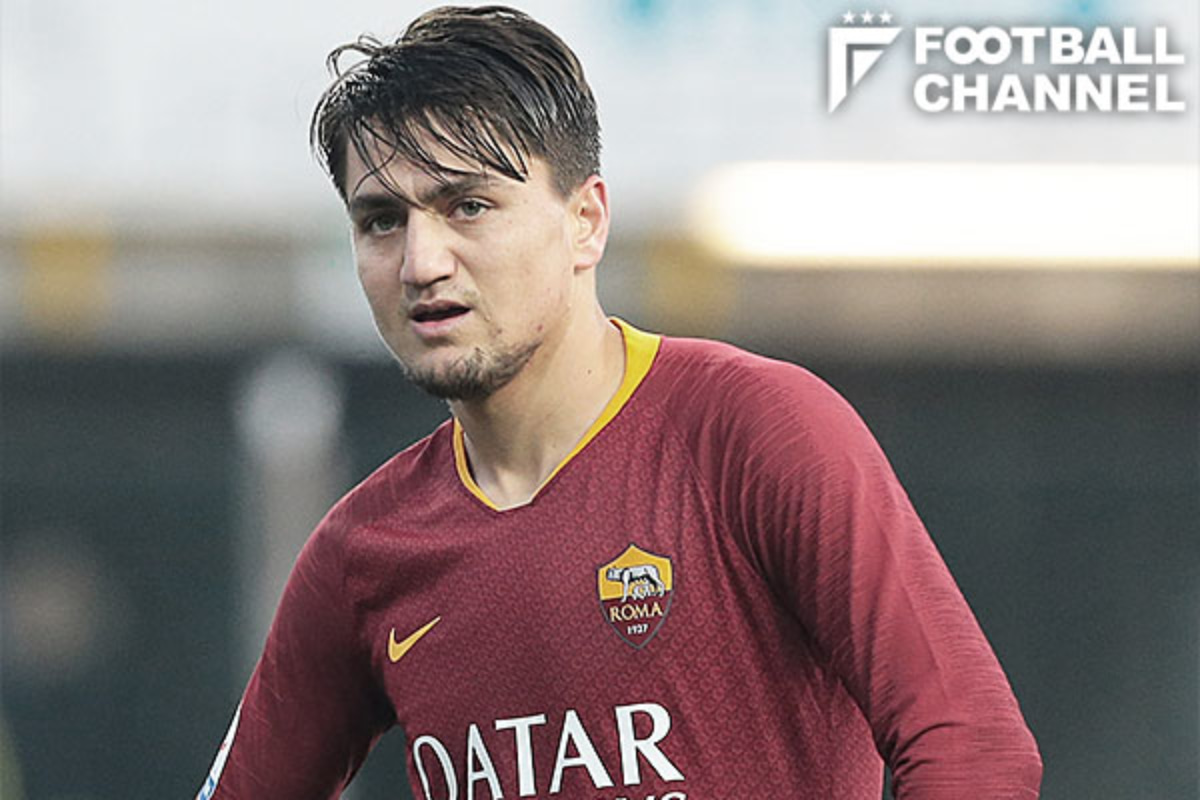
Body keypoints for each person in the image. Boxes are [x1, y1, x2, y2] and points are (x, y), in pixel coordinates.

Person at [198, 6, 1042, 798]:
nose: (422, 262)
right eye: (382, 221)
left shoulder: (756, 432)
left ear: (586, 221)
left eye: (469, 206)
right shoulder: (362, 552)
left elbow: (973, 746)